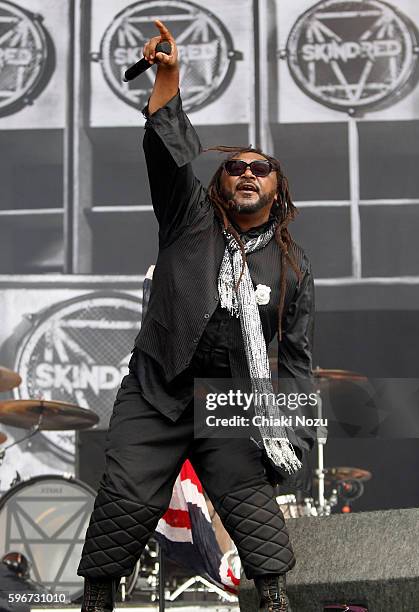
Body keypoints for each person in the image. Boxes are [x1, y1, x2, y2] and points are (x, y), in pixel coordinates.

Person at [77, 19, 316, 612]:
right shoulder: (190, 221)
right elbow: (170, 155)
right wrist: (170, 76)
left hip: (229, 396)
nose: (246, 173)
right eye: (235, 167)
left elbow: (293, 355)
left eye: (260, 169)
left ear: (278, 192)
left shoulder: (292, 268)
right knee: (124, 495)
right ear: (219, 184)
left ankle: (276, 600)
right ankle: (97, 599)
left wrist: (298, 432)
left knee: (247, 500)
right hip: (158, 383)